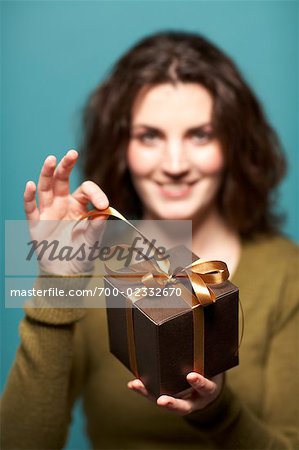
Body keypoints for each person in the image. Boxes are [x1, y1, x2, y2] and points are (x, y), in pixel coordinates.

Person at [1, 31, 298, 450]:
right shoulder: (91, 265)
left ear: (232, 144)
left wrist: (218, 409)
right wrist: (58, 276)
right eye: (149, 136)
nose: (174, 165)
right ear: (122, 146)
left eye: (200, 135)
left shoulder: (287, 270)